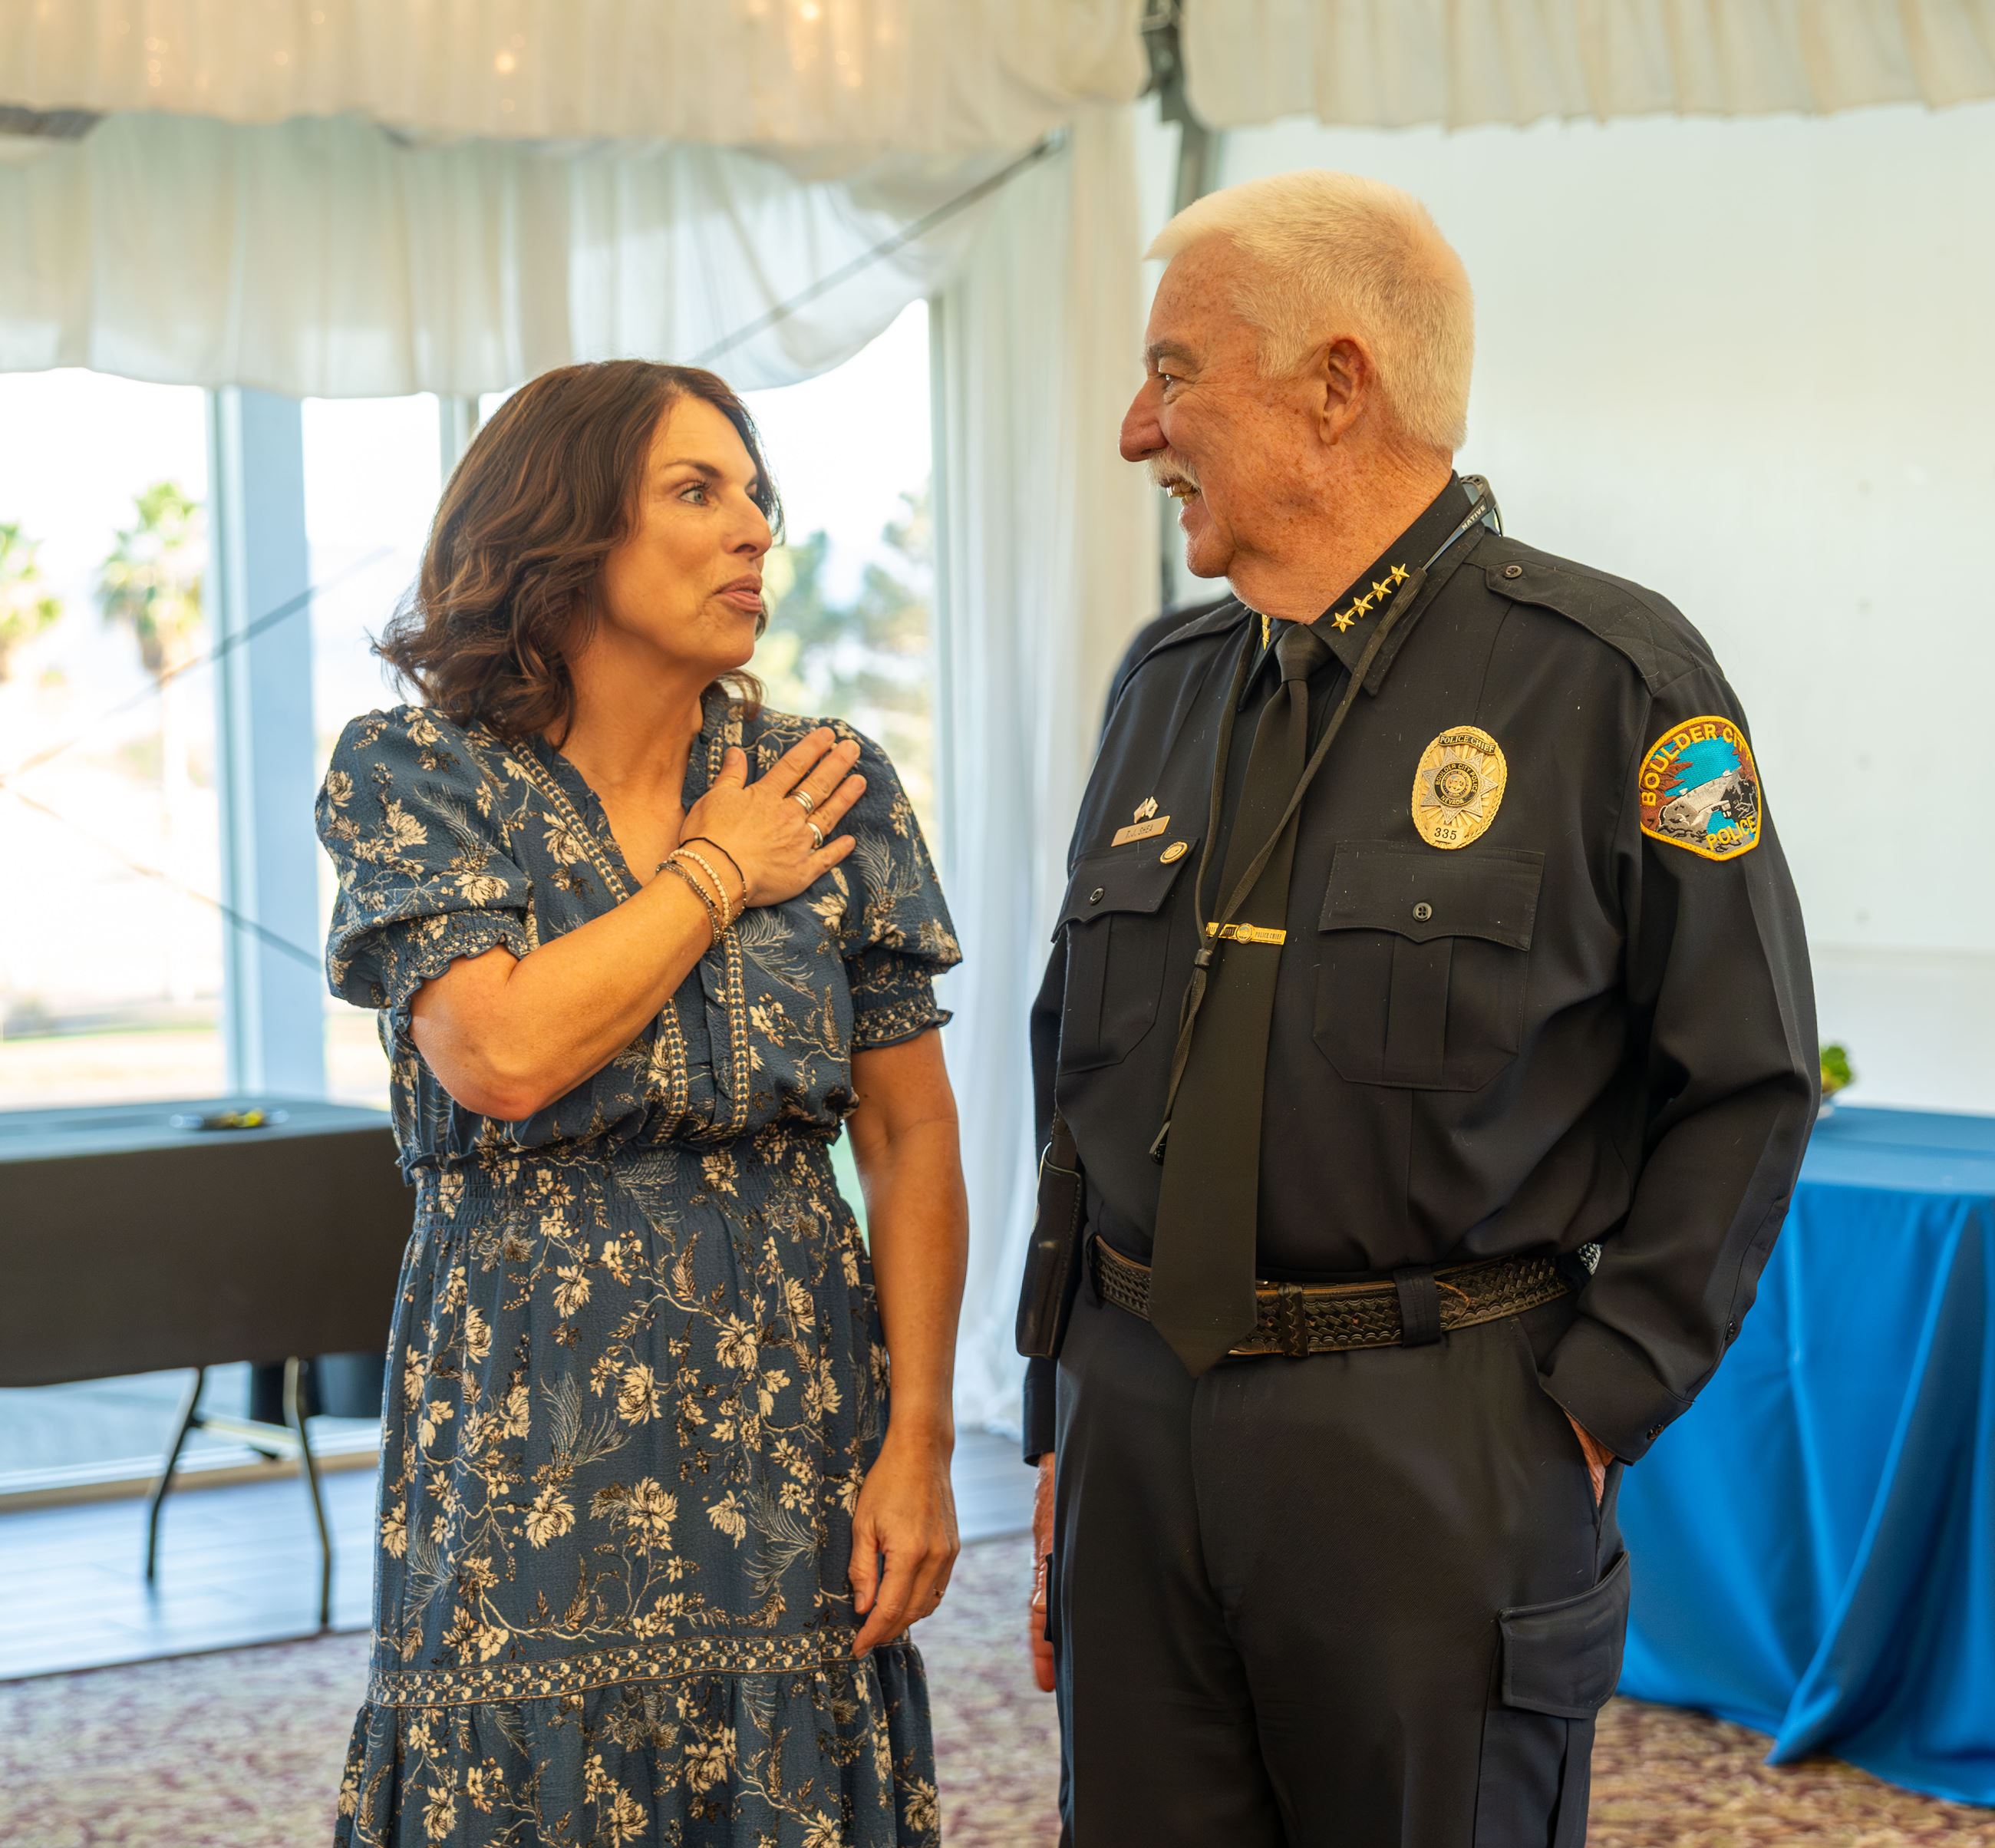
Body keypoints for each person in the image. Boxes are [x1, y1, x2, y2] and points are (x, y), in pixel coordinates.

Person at [1019, 171, 1818, 1846]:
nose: (1135, 430)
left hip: (1434, 1435)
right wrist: (1063, 1415)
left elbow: (1745, 1081)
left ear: (1336, 386)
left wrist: (1597, 1399)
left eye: (1173, 374)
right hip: (1136, 1427)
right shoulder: (1165, 687)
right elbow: (1075, 1077)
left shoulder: (1615, 679)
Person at [316, 359, 965, 1847]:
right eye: (695, 490)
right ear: (562, 531)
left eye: (756, 494)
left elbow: (909, 1132)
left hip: (793, 1419)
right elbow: (500, 1055)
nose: (754, 528)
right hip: (523, 1427)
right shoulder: (417, 771)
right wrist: (718, 870)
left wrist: (921, 1438)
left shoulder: (828, 782)